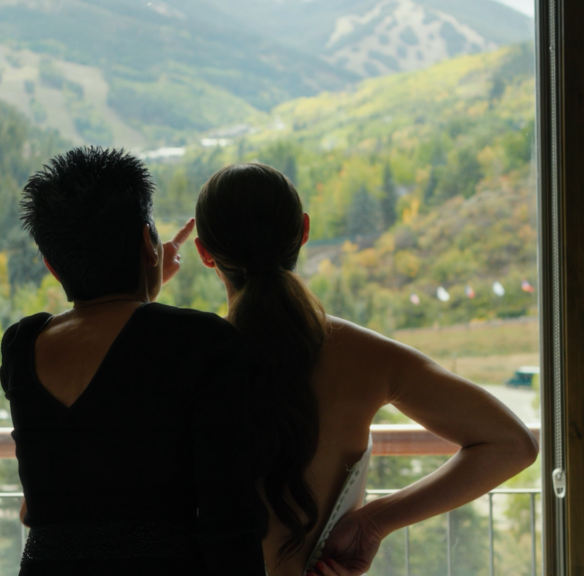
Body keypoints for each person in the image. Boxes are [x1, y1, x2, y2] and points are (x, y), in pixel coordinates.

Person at [193, 163, 540, 576]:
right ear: (304, 231)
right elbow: (512, 444)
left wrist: (146, 287)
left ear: (204, 253)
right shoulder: (365, 356)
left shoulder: (185, 359)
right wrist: (374, 521)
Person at [1, 147, 265, 576]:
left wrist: (146, 279)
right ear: (147, 241)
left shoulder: (20, 345)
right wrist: (146, 276)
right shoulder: (205, 343)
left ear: (51, 265)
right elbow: (229, 521)